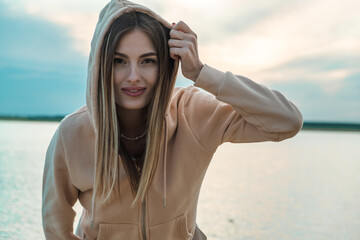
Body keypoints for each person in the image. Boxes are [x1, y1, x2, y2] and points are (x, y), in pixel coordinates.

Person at [42, 0, 303, 239]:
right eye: (120, 61)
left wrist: (201, 72)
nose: (133, 76)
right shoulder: (73, 133)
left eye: (147, 61)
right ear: (102, 65)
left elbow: (287, 121)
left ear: (164, 64)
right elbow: (55, 226)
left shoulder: (194, 114)